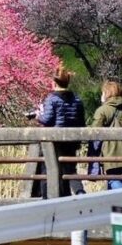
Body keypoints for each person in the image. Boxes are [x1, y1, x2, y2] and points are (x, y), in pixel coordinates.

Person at [36, 62, 86, 196]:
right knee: (70, 169)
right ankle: (79, 192)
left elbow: (47, 120)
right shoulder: (77, 100)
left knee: (50, 169)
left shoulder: (51, 99)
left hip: (55, 141)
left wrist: (38, 115)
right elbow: (81, 122)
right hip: (72, 141)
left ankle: (49, 197)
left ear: (54, 82)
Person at [89, 80, 122, 188]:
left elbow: (94, 133)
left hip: (111, 155)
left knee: (114, 181)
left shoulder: (102, 110)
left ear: (107, 94)